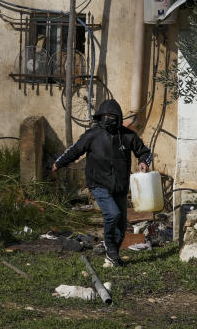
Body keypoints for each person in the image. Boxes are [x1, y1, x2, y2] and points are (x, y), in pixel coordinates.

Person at [50, 98, 152, 268]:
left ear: (118, 117)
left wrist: (143, 161)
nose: (108, 119)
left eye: (112, 116)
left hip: (119, 186)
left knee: (121, 225)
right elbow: (74, 150)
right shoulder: (92, 135)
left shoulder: (128, 136)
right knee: (112, 214)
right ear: (99, 117)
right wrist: (58, 163)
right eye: (105, 115)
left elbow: (145, 152)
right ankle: (109, 248)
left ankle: (112, 256)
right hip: (98, 183)